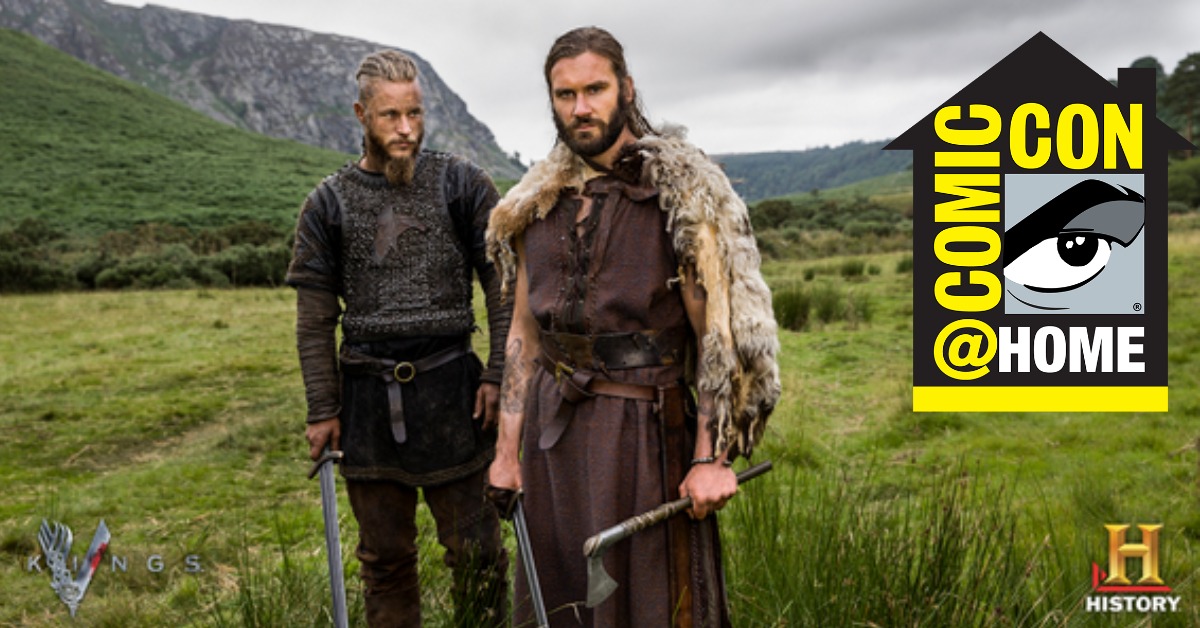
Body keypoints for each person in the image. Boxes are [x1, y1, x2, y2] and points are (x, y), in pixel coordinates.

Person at [486, 26, 781, 627]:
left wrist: (709, 457)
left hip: (642, 430)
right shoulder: (535, 202)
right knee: (563, 592)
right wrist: (505, 453)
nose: (581, 107)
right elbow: (522, 332)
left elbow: (718, 337)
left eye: (594, 89)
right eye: (565, 94)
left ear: (626, 87)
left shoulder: (682, 193)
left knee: (650, 596)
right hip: (552, 437)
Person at [287, 49, 511, 627]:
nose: (406, 129)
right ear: (362, 113)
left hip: (454, 391)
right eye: (390, 115)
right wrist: (322, 407)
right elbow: (314, 318)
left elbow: (502, 282)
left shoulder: (461, 183)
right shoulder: (327, 203)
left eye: (414, 113)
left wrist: (498, 375)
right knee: (385, 559)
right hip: (367, 398)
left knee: (480, 554)